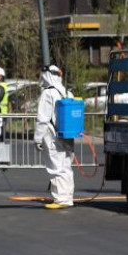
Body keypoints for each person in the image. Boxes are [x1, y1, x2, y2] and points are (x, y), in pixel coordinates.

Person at [35, 65, 76, 209]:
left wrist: (37, 138)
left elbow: (43, 118)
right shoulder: (66, 92)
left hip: (52, 136)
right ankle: (67, 197)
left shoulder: (48, 93)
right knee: (66, 167)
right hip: (67, 135)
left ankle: (60, 199)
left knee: (56, 167)